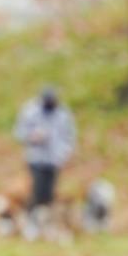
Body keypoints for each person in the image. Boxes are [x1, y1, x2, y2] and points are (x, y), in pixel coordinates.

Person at [12, 85, 77, 238]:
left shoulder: (63, 114)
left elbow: (69, 136)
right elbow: (19, 132)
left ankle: (46, 225)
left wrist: (65, 154)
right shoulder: (31, 111)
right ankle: (31, 224)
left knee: (49, 195)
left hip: (54, 160)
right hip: (36, 158)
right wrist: (32, 136)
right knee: (36, 192)